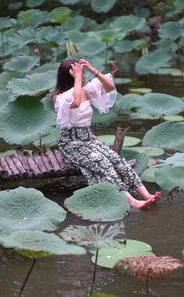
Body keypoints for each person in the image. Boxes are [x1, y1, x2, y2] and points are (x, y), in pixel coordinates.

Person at [52, 59, 161, 208]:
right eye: (81, 75)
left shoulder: (86, 90)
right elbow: (76, 102)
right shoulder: (59, 98)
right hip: (71, 145)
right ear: (71, 76)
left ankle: (146, 194)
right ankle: (131, 201)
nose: (84, 77)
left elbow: (110, 87)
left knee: (118, 161)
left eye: (83, 74)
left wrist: (93, 71)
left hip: (89, 140)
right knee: (102, 163)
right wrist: (77, 77)